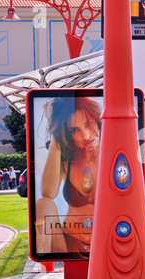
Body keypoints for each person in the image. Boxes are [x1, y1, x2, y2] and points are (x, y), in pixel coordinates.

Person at [36, 97, 102, 258]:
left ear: (98, 120)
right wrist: (56, 134)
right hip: (68, 242)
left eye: (88, 124)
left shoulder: (114, 154)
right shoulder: (68, 159)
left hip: (104, 241)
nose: (86, 136)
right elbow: (48, 193)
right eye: (74, 130)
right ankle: (45, 266)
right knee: (43, 204)